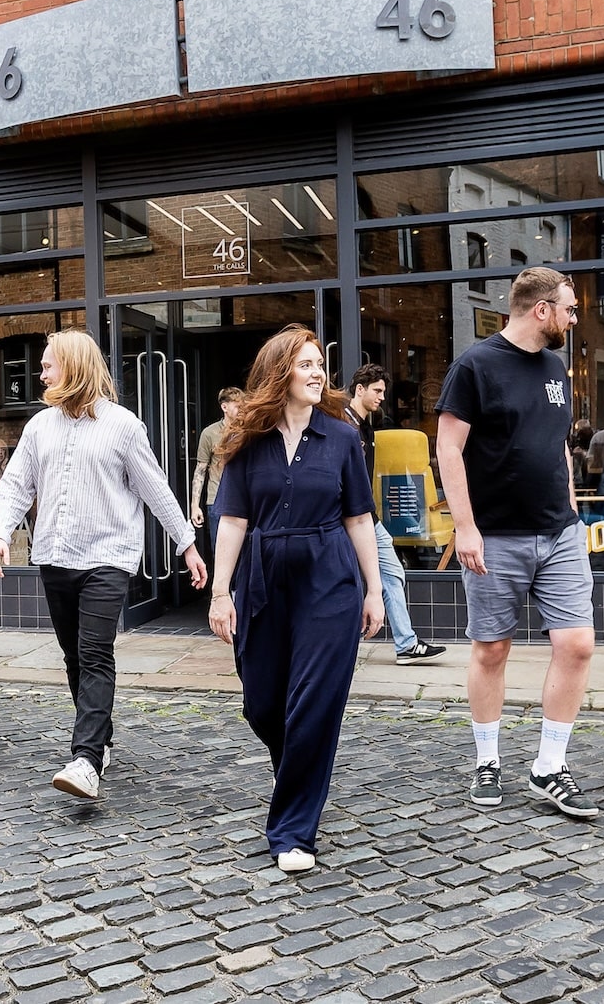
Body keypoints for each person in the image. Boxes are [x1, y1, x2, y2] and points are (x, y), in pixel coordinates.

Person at [0, 330, 207, 801]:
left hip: (108, 557)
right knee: (73, 656)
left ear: (75, 366)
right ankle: (99, 739)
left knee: (93, 653)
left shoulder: (123, 425)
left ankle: (86, 760)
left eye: (48, 365)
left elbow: (155, 488)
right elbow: (17, 484)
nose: (41, 373)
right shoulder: (39, 426)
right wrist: (0, 534)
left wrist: (186, 544)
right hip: (55, 556)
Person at [208, 325, 384, 873]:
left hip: (328, 577)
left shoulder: (341, 438)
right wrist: (219, 591)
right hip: (262, 577)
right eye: (306, 364)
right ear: (279, 373)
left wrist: (375, 590)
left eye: (319, 364)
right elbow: (233, 519)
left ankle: (292, 832)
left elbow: (359, 517)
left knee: (314, 702)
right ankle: (300, 775)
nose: (318, 373)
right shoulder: (246, 439)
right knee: (263, 703)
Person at [435, 266, 599, 819]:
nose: (575, 318)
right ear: (542, 310)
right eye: (570, 308)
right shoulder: (475, 366)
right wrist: (465, 528)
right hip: (495, 537)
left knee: (576, 645)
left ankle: (549, 767)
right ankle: (488, 760)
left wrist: (573, 506)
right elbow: (449, 450)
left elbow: (554, 445)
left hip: (559, 533)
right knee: (492, 650)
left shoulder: (555, 367)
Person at [344, 363, 448, 664]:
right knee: (368, 577)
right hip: (350, 518)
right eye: (376, 391)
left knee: (390, 574)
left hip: (364, 516)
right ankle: (402, 643)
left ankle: (405, 644)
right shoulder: (346, 427)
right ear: (359, 390)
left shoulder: (365, 426)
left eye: (383, 392)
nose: (381, 397)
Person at [190, 387, 244, 554]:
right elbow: (200, 470)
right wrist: (194, 505)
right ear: (224, 407)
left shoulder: (250, 431)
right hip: (217, 500)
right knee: (220, 552)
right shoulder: (210, 433)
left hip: (244, 499)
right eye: (237, 406)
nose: (242, 409)